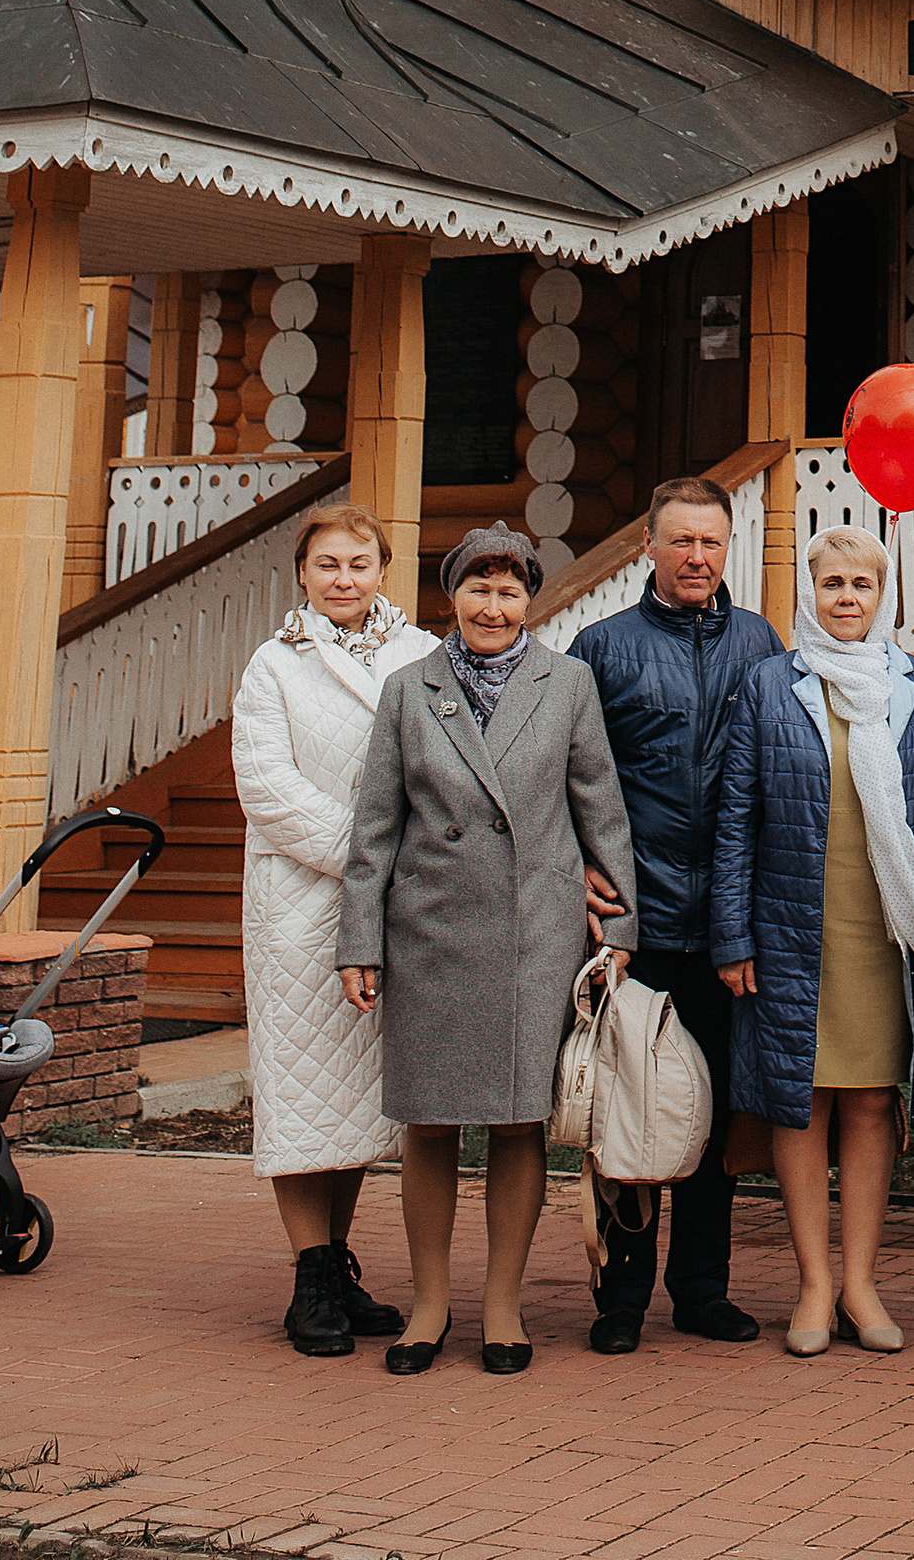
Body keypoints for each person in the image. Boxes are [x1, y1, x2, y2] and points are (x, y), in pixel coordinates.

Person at [337, 522, 638, 1377]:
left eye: (509, 591)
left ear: (529, 600)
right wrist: (360, 940)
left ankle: (502, 1304)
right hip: (427, 931)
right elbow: (375, 826)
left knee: (518, 1123)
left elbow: (600, 810)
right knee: (427, 1124)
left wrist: (618, 930)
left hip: (531, 934)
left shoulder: (568, 684)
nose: (493, 605)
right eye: (478, 588)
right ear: (452, 596)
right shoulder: (408, 689)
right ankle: (429, 1304)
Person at [710, 524, 914, 1358]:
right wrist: (733, 934)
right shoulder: (769, 686)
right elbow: (735, 817)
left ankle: (861, 1282)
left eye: (861, 585)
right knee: (801, 1097)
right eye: (832, 584)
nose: (847, 599)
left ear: (880, 596)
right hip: (790, 929)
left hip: (881, 933)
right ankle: (813, 1283)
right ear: (808, 593)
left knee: (867, 1100)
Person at [570, 471, 780, 1355]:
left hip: (729, 927)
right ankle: (619, 1298)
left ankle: (701, 1289)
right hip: (634, 922)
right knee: (633, 1104)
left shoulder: (762, 644)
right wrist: (576, 863)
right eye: (681, 541)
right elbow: (563, 773)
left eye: (712, 542)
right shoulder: (601, 648)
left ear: (727, 549)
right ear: (649, 547)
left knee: (713, 1109)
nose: (698, 557)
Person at [232, 500, 435, 1356]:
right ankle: (308, 1275)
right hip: (302, 908)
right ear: (303, 575)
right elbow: (268, 790)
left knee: (352, 1101)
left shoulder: (423, 654)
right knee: (301, 1092)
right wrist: (370, 852)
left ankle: (338, 1265)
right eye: (327, 566)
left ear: (382, 569)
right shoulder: (273, 666)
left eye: (359, 563)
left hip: (391, 910)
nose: (344, 579)